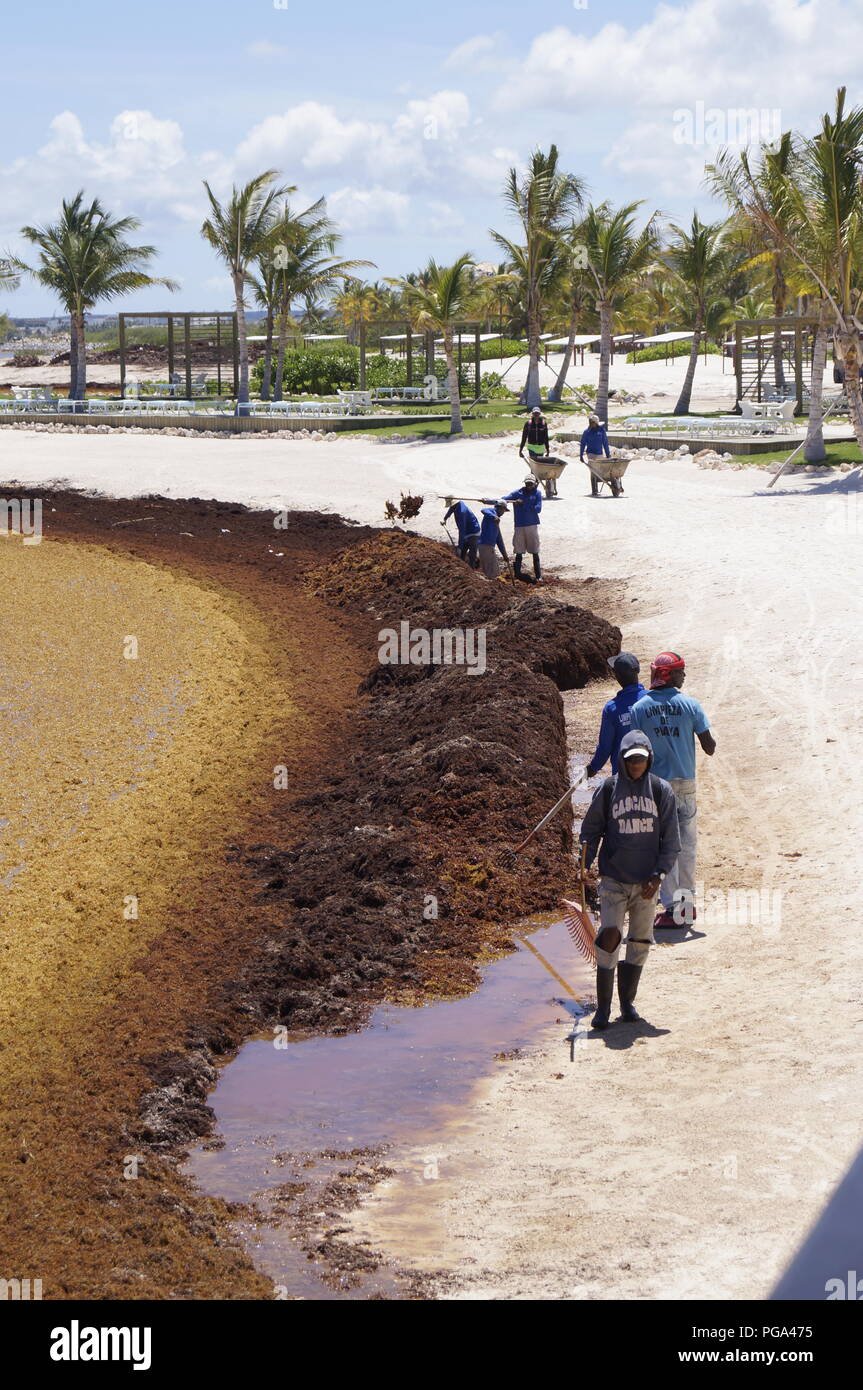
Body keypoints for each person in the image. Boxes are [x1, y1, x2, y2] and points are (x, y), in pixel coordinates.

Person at [569, 729, 680, 1029]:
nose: (636, 765)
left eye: (641, 761)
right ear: (623, 759)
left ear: (649, 760)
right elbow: (590, 832)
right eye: (631, 760)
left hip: (647, 884)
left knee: (640, 942)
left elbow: (671, 841)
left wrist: (659, 875)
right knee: (609, 938)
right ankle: (603, 1010)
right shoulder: (608, 789)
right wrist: (584, 864)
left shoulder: (661, 791)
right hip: (614, 880)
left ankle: (627, 1005)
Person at [630, 652, 716, 929]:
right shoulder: (691, 705)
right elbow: (709, 746)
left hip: (656, 787)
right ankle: (687, 904)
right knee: (687, 846)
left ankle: (671, 907)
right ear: (670, 675)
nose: (684, 676)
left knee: (663, 847)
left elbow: (636, 751)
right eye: (681, 672)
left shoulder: (639, 709)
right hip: (686, 783)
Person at [585, 652, 646, 778]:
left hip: (623, 776)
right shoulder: (653, 699)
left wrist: (594, 767)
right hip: (652, 773)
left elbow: (605, 746)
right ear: (638, 671)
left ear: (617, 676)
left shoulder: (612, 708)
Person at [503, 475, 543, 583]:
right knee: (519, 550)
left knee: (535, 550)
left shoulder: (537, 494)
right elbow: (504, 499)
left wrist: (523, 504)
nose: (529, 486)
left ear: (534, 484)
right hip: (519, 525)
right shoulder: (518, 493)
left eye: (530, 484)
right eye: (527, 484)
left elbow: (538, 509)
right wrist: (489, 501)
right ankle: (517, 574)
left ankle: (538, 575)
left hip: (532, 525)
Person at [580, 412, 613, 497]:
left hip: (599, 454)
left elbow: (605, 442)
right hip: (590, 454)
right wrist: (581, 455)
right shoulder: (587, 432)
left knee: (600, 472)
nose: (591, 424)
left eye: (592, 422)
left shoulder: (601, 430)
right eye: (590, 422)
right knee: (593, 471)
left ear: (596, 423)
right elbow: (583, 443)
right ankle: (594, 489)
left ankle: (599, 486)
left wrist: (608, 454)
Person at [442, 498, 481, 568]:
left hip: (473, 532)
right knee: (463, 552)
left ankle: (472, 568)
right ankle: (462, 565)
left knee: (472, 553)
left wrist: (459, 547)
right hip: (466, 531)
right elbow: (451, 509)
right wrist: (445, 518)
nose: (451, 507)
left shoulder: (462, 512)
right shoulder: (457, 505)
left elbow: (462, 531)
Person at [477, 501, 510, 579]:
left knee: (495, 571)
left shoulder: (496, 522)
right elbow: (484, 510)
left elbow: (499, 540)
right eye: (504, 510)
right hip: (485, 545)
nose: (503, 513)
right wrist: (493, 516)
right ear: (501, 508)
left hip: (488, 547)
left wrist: (504, 555)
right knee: (492, 573)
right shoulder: (491, 513)